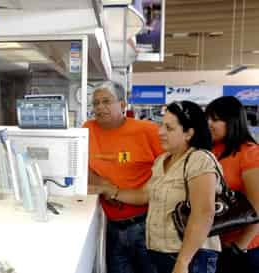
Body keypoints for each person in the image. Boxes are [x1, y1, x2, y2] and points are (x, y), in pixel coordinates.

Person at [99, 101, 221, 273]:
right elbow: (144, 195)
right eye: (161, 125)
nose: (160, 132)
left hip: (190, 258)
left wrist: (182, 262)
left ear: (188, 133)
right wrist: (110, 191)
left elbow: (203, 213)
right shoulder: (162, 161)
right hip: (159, 254)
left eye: (169, 128)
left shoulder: (199, 160)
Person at [83, 81, 163, 273]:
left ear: (122, 104)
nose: (100, 107)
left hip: (147, 224)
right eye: (95, 103)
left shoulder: (147, 131)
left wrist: (119, 192)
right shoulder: (87, 129)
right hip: (112, 226)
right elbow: (82, 168)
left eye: (106, 101)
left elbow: (168, 168)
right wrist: (106, 186)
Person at [205, 96, 259, 273]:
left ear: (233, 121)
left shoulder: (250, 153)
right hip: (213, 245)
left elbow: (257, 208)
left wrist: (238, 247)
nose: (209, 123)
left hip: (244, 249)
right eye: (208, 118)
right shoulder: (211, 150)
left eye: (216, 119)